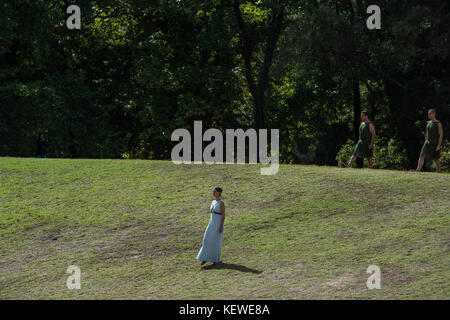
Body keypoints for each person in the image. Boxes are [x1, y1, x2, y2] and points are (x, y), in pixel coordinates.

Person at [197, 187, 226, 266]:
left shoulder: (221, 203)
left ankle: (215, 259)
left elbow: (223, 215)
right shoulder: (213, 202)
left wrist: (221, 226)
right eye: (213, 191)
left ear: (219, 193)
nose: (213, 192)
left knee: (215, 242)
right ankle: (205, 257)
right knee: (206, 240)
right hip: (211, 224)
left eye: (215, 191)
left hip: (217, 224)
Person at [416, 109, 443, 173]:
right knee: (421, 155)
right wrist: (425, 141)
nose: (429, 115)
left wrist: (438, 145)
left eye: (430, 114)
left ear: (434, 114)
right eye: (428, 114)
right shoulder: (428, 123)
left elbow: (441, 135)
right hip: (427, 142)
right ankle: (418, 169)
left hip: (435, 143)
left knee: (436, 158)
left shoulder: (438, 123)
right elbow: (426, 133)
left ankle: (439, 171)